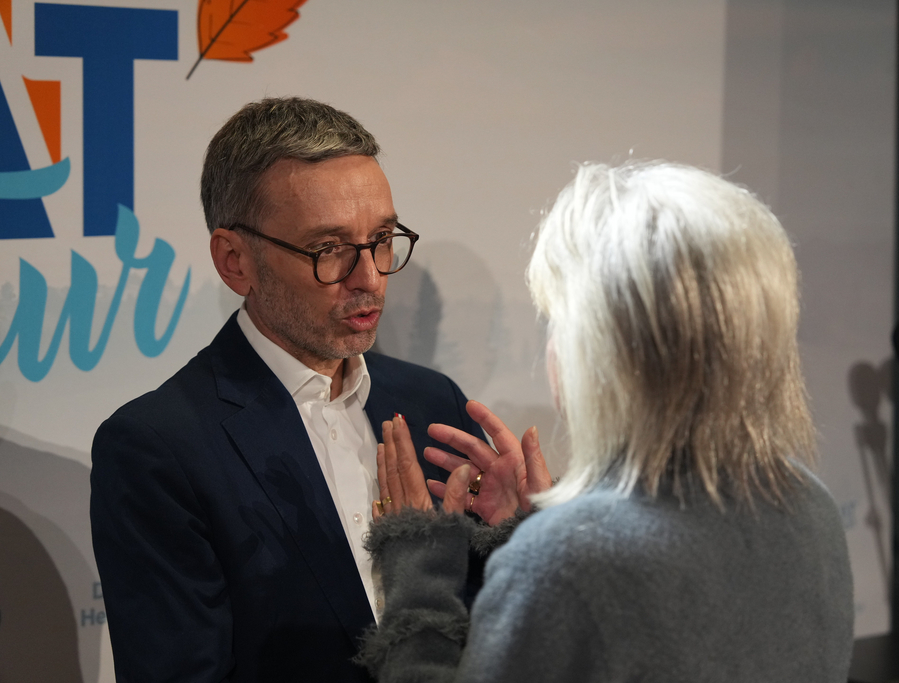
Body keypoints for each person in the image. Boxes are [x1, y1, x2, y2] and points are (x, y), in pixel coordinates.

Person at [359, 161, 856, 683]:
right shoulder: (811, 507)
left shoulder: (568, 561)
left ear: (602, 350)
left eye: (556, 321)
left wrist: (420, 567)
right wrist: (527, 535)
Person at [90, 97, 496, 682]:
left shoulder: (435, 403)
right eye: (328, 249)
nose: (370, 277)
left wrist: (525, 538)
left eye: (382, 238)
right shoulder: (158, 449)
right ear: (235, 261)